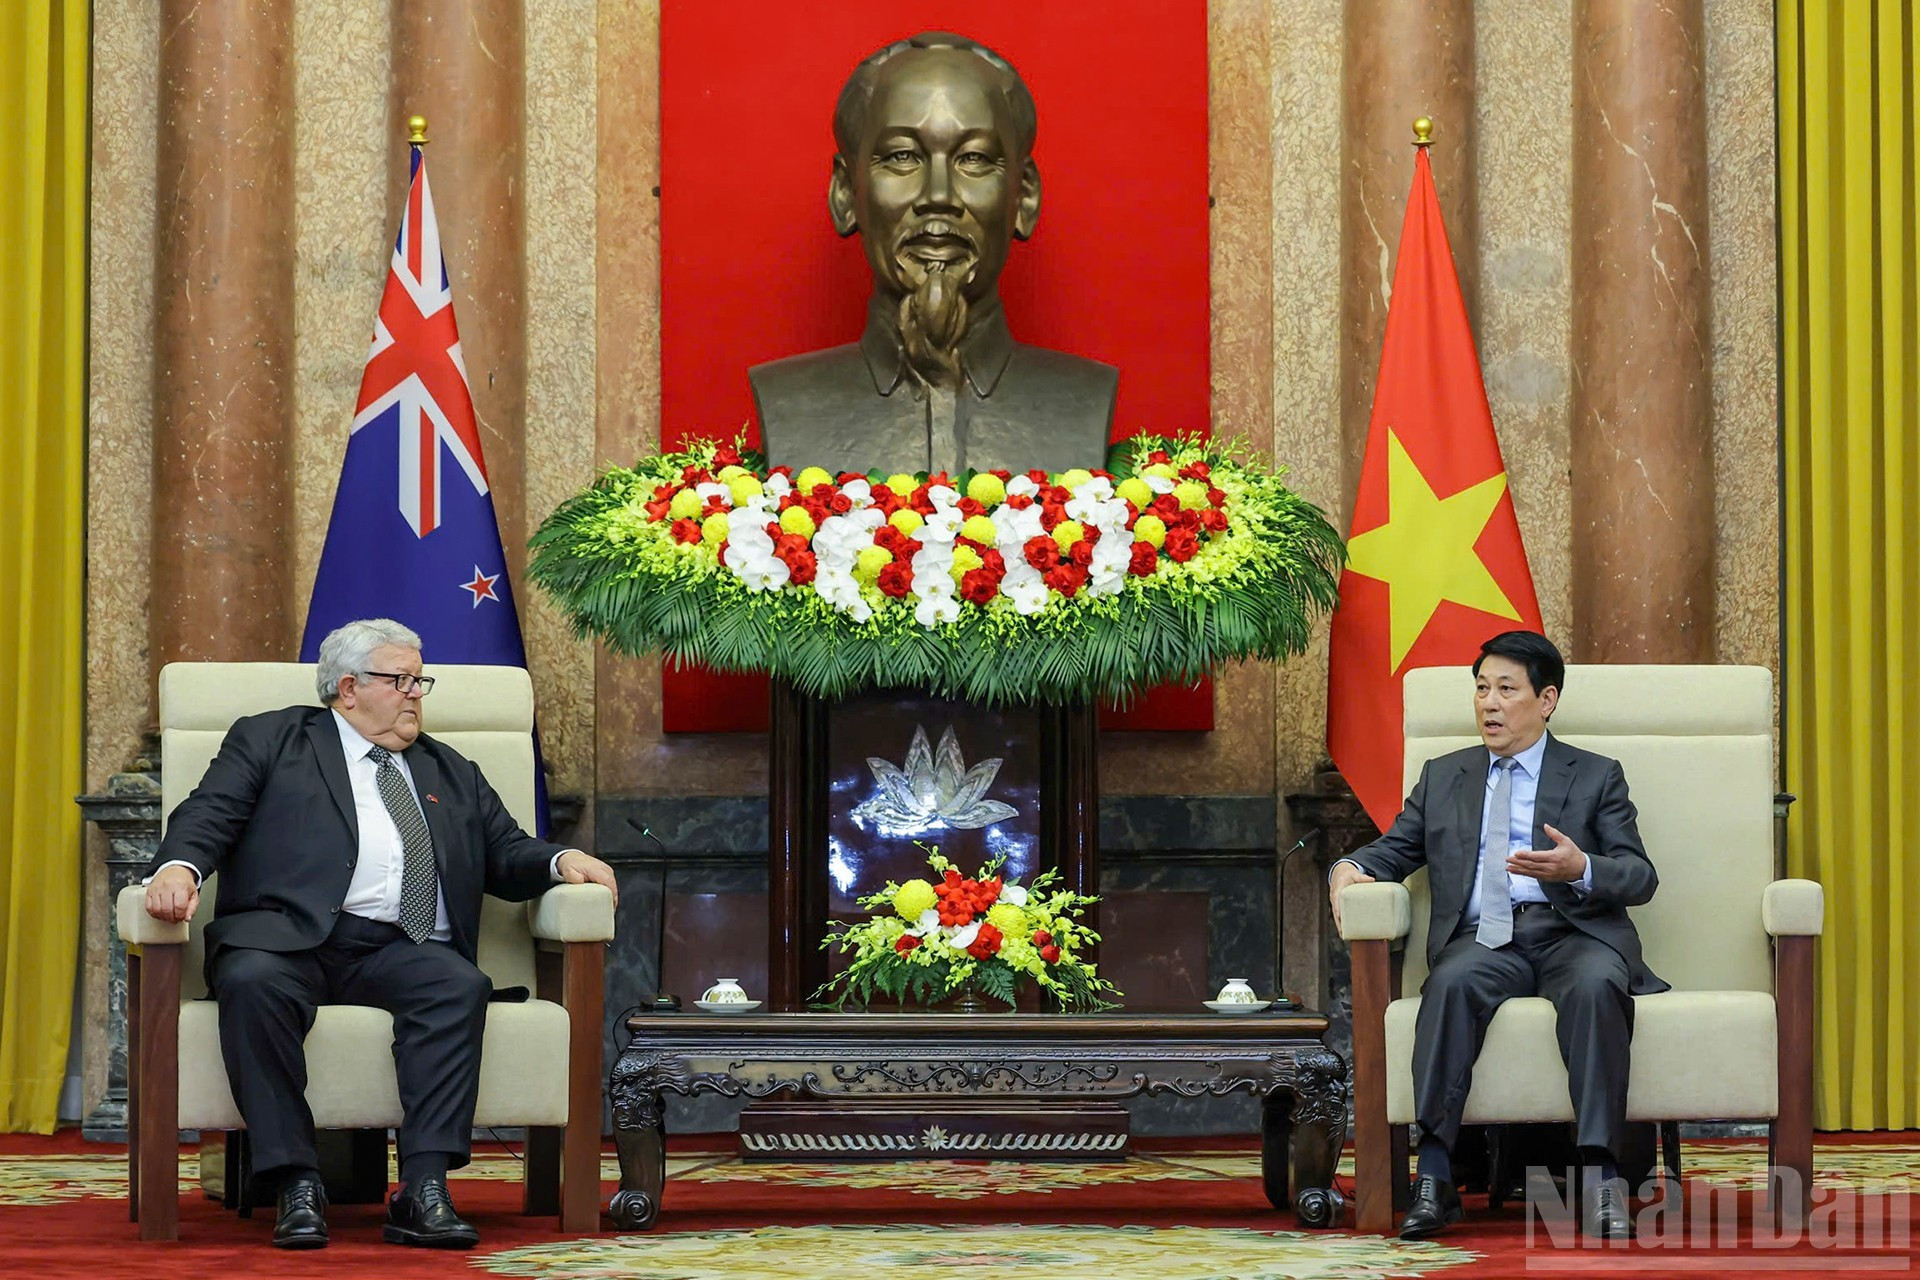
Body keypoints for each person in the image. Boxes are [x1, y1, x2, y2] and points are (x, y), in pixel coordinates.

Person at [143, 618, 619, 1251]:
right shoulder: (272, 739)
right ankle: (295, 1181)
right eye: (399, 680)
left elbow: (506, 853)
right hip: (285, 940)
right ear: (347, 688)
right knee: (252, 981)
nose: (416, 693)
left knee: (457, 984)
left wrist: (561, 862)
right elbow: (208, 813)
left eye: (419, 680)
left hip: (397, 946)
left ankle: (422, 1189)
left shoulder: (449, 768)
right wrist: (179, 867)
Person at [1328, 630, 1664, 1241]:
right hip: (1486, 938)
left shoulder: (1595, 776)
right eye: (1481, 688)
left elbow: (1639, 875)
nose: (1489, 703)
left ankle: (1599, 1177)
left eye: (1507, 689)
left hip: (1573, 933)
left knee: (1596, 985)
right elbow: (1394, 850)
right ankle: (1433, 1178)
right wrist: (1350, 867)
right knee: (1450, 984)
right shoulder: (1444, 777)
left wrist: (1580, 867)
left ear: (1547, 700)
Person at [749, 30, 1116, 477]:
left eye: (974, 159)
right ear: (846, 194)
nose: (938, 196)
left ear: (1023, 197)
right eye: (902, 157)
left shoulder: (1086, 398)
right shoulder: (788, 400)